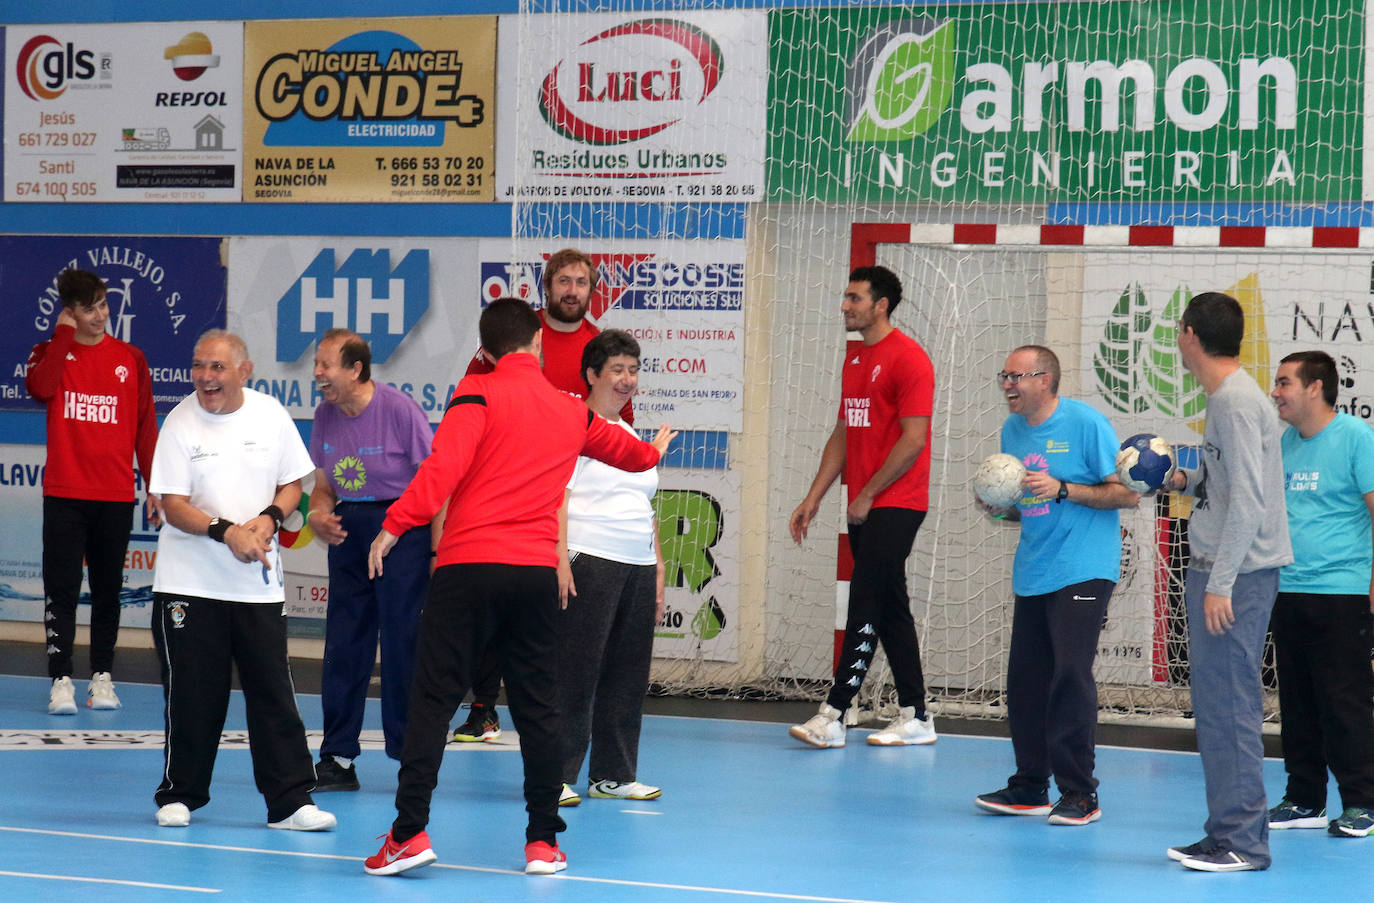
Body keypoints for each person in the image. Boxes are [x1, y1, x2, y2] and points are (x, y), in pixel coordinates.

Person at [363, 298, 673, 878]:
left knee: (433, 702)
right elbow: (632, 456)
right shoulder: (568, 410)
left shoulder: (475, 395)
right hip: (534, 576)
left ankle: (408, 834)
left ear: (487, 347)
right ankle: (542, 844)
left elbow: (439, 475)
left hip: (468, 569)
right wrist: (654, 449)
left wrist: (393, 525)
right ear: (536, 344)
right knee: (539, 707)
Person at [148, 330, 335, 833]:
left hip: (257, 589)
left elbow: (294, 482)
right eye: (198, 366)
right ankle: (180, 793)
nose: (205, 378)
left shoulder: (270, 415)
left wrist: (269, 519)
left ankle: (291, 803)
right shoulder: (179, 423)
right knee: (191, 695)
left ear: (243, 371)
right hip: (188, 586)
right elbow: (172, 505)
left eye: (217, 367)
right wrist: (226, 531)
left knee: (274, 693)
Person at [453, 247, 633, 746]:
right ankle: (484, 709)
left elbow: (618, 424)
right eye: (563, 281)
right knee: (495, 597)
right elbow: (474, 393)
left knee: (549, 614)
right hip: (508, 483)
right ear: (547, 286)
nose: (572, 290)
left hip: (570, 491)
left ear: (592, 289)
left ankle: (555, 727)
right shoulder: (518, 336)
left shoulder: (600, 346)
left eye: (581, 281)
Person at [972, 346, 1139, 826]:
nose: (1007, 384)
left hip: (1084, 565)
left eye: (1016, 376)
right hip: (1034, 569)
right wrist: (1001, 507)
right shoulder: (1012, 430)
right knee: (1025, 680)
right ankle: (1029, 786)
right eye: (1004, 375)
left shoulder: (1086, 424)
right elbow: (1025, 508)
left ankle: (1081, 794)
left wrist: (1064, 487)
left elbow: (1126, 494)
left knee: (1069, 672)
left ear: (1044, 379)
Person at [1163, 292, 1292, 872]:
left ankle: (1242, 842)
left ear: (1189, 335)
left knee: (1232, 706)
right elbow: (1225, 483)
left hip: (1234, 576)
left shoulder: (1236, 403)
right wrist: (1180, 476)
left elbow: (1248, 503)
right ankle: (1228, 833)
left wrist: (1220, 581)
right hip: (1227, 571)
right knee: (1217, 706)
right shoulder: (1227, 399)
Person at [787, 265, 937, 749]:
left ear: (881, 305)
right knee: (891, 607)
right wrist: (814, 497)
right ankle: (916, 715)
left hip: (897, 502)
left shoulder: (910, 359)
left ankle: (834, 713)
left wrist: (869, 493)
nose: (845, 306)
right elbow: (842, 434)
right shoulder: (855, 360)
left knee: (865, 600)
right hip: (864, 504)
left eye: (854, 298)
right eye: (844, 296)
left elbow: (914, 440)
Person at [25, 268, 159, 715]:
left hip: (115, 495)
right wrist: (62, 339)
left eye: (104, 304)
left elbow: (145, 427)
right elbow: (40, 388)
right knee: (61, 590)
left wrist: (153, 482)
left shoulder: (131, 358)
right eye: (89, 308)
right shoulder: (50, 353)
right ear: (70, 312)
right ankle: (60, 679)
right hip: (65, 493)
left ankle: (102, 676)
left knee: (107, 591)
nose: (101, 315)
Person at [307, 328, 436, 792]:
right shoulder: (325, 415)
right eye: (317, 365)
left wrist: (432, 547)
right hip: (349, 532)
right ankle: (337, 757)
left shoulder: (400, 411)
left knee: (403, 645)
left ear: (355, 368)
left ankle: (410, 758)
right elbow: (323, 486)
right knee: (345, 644)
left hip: (402, 529)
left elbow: (431, 485)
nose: (317, 373)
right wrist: (318, 515)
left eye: (325, 365)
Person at [1266, 350, 1374, 838]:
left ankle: (1363, 802)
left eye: (1285, 382)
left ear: (1315, 387)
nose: (1276, 392)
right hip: (1286, 590)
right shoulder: (1283, 444)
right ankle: (1304, 798)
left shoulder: (1355, 437)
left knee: (1344, 702)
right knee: (1298, 703)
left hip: (1342, 592)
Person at [555, 330, 664, 809]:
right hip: (589, 560)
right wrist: (559, 561)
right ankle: (553, 775)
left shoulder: (628, 434)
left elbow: (645, 506)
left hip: (636, 566)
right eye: (617, 369)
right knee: (576, 671)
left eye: (634, 370)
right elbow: (556, 501)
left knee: (627, 673)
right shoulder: (575, 428)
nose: (627, 379)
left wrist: (657, 571)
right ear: (592, 375)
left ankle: (614, 775)